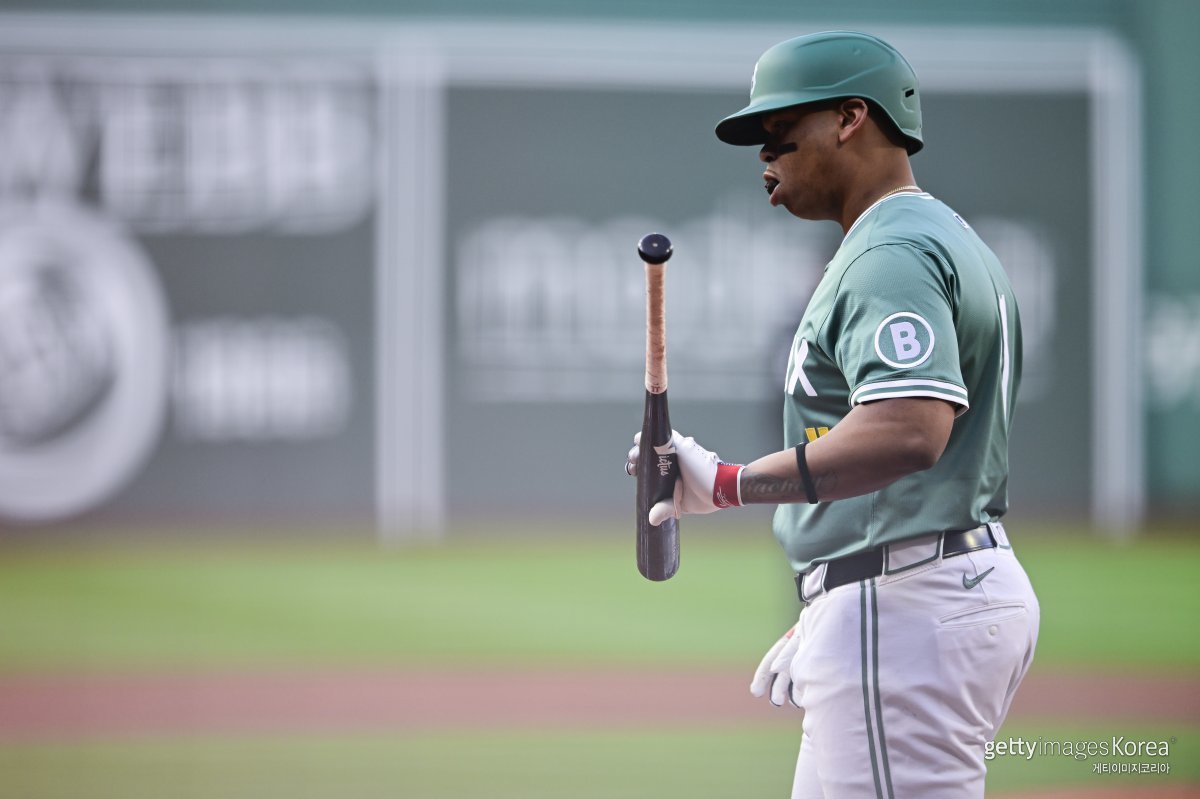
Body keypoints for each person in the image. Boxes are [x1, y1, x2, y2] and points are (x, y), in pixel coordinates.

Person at [626, 30, 1039, 798]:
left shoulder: (890, 253)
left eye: (781, 126)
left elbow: (909, 429)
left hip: (909, 601)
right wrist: (835, 591)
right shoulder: (940, 236)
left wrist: (728, 483)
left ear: (852, 117)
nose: (764, 151)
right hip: (911, 587)